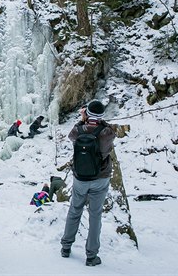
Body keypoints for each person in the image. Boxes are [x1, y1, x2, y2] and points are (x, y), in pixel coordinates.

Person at [60, 100, 115, 267]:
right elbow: (110, 134)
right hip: (100, 178)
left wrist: (83, 119)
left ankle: (66, 247)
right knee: (95, 215)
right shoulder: (107, 132)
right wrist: (99, 121)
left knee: (74, 210)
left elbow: (71, 136)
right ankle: (91, 256)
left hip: (81, 179)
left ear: (87, 113)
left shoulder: (78, 130)